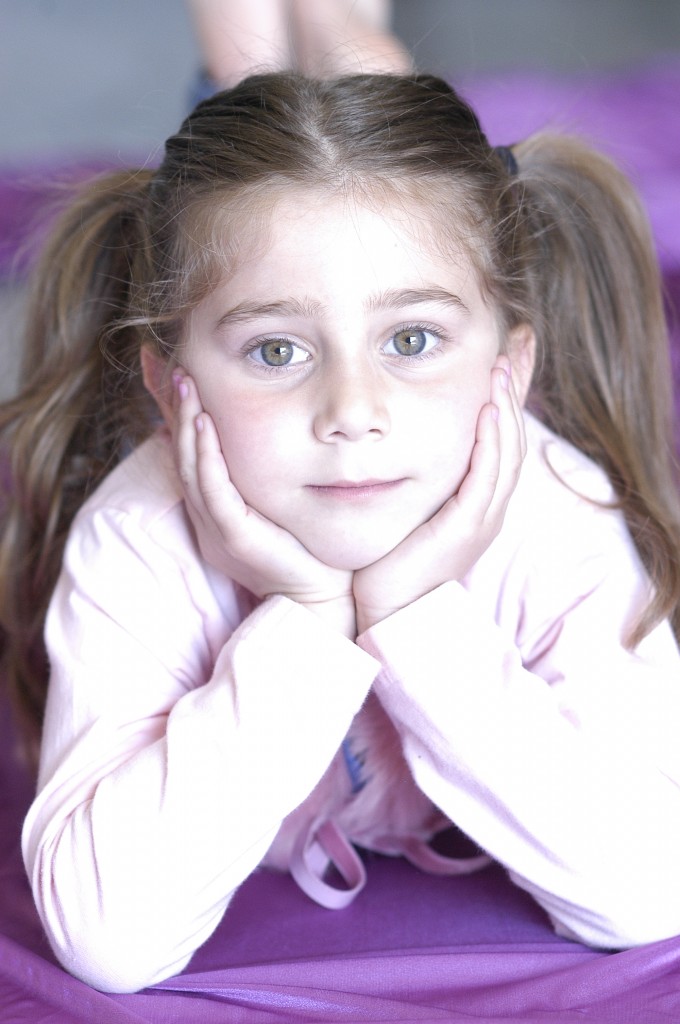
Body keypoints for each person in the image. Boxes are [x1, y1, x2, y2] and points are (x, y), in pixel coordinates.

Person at [1, 70, 679, 994]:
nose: (353, 412)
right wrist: (307, 616)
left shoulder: (559, 513)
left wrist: (414, 614)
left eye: (412, 340)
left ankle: (340, 40)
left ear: (510, 368)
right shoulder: (139, 535)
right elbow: (109, 939)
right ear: (168, 385)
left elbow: (652, 888)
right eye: (276, 350)